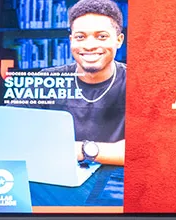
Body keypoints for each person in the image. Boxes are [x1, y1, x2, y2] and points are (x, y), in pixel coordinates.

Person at [41, 0, 126, 166]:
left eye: (102, 37)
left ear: (119, 40)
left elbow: (147, 150)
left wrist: (83, 150)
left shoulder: (136, 83)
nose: (89, 46)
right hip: (57, 183)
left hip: (116, 185)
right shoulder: (46, 81)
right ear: (71, 40)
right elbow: (15, 137)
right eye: (80, 37)